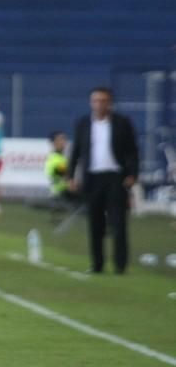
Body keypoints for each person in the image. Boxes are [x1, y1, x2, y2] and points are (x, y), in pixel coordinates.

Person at [67, 87, 139, 274]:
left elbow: (132, 151)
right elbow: (76, 152)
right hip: (92, 179)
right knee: (95, 223)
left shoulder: (122, 123)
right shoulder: (83, 123)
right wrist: (71, 176)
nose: (99, 104)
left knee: (118, 223)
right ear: (91, 103)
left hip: (116, 178)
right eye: (96, 100)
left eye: (103, 101)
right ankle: (97, 264)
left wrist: (132, 174)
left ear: (110, 103)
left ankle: (120, 266)